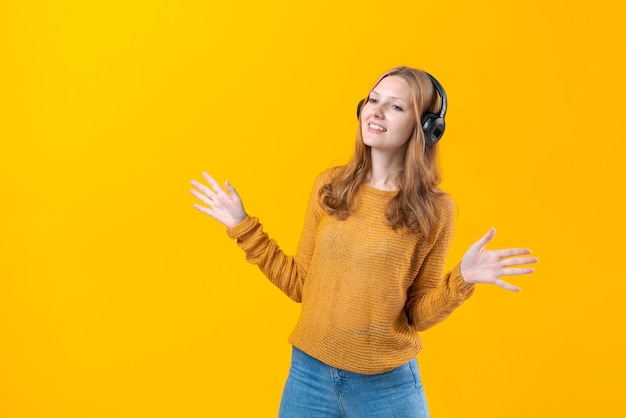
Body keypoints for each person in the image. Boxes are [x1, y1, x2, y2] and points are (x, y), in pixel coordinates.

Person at [190, 66, 537, 417]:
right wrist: (242, 225)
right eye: (373, 100)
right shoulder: (330, 187)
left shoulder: (436, 210)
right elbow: (300, 284)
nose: (376, 111)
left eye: (396, 107)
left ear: (426, 129)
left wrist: (462, 279)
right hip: (308, 376)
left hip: (385, 388)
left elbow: (416, 313)